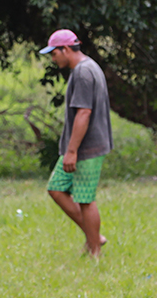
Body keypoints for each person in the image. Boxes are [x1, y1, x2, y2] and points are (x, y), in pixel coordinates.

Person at [40, 29, 113, 259]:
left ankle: (95, 251)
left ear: (66, 49)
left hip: (86, 148)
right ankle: (94, 237)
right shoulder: (88, 67)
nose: (53, 59)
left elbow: (84, 113)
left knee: (85, 199)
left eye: (54, 53)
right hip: (81, 146)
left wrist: (72, 151)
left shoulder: (83, 73)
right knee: (56, 188)